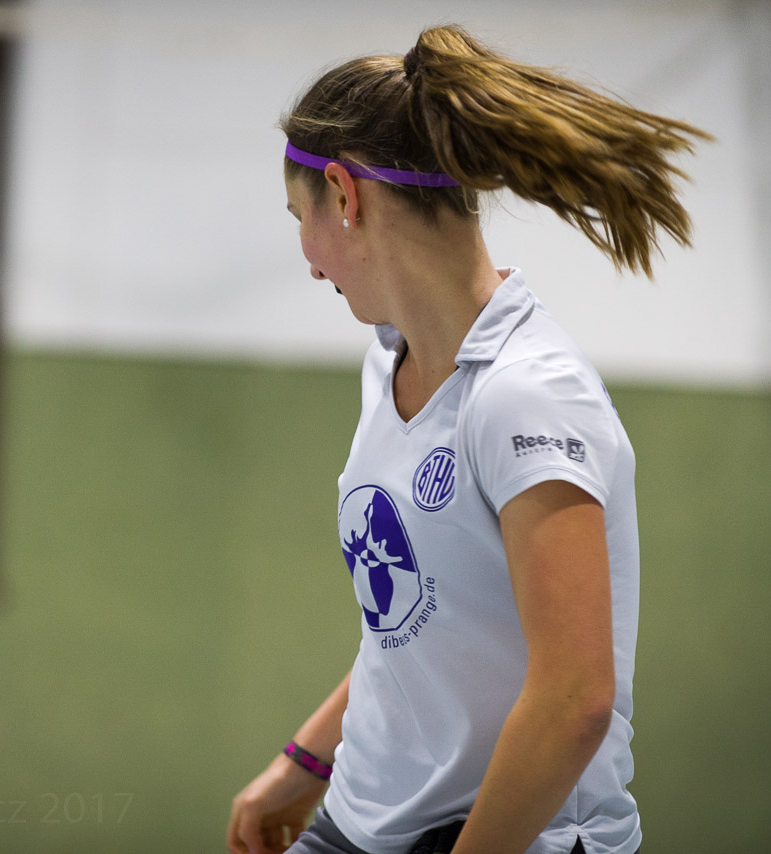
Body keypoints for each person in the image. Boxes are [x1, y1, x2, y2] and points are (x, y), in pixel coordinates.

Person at [227, 24, 709, 854]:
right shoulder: (390, 363)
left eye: (299, 217)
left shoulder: (527, 392)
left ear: (344, 195)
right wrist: (304, 763)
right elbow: (419, 627)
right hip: (359, 821)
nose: (309, 261)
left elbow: (575, 702)